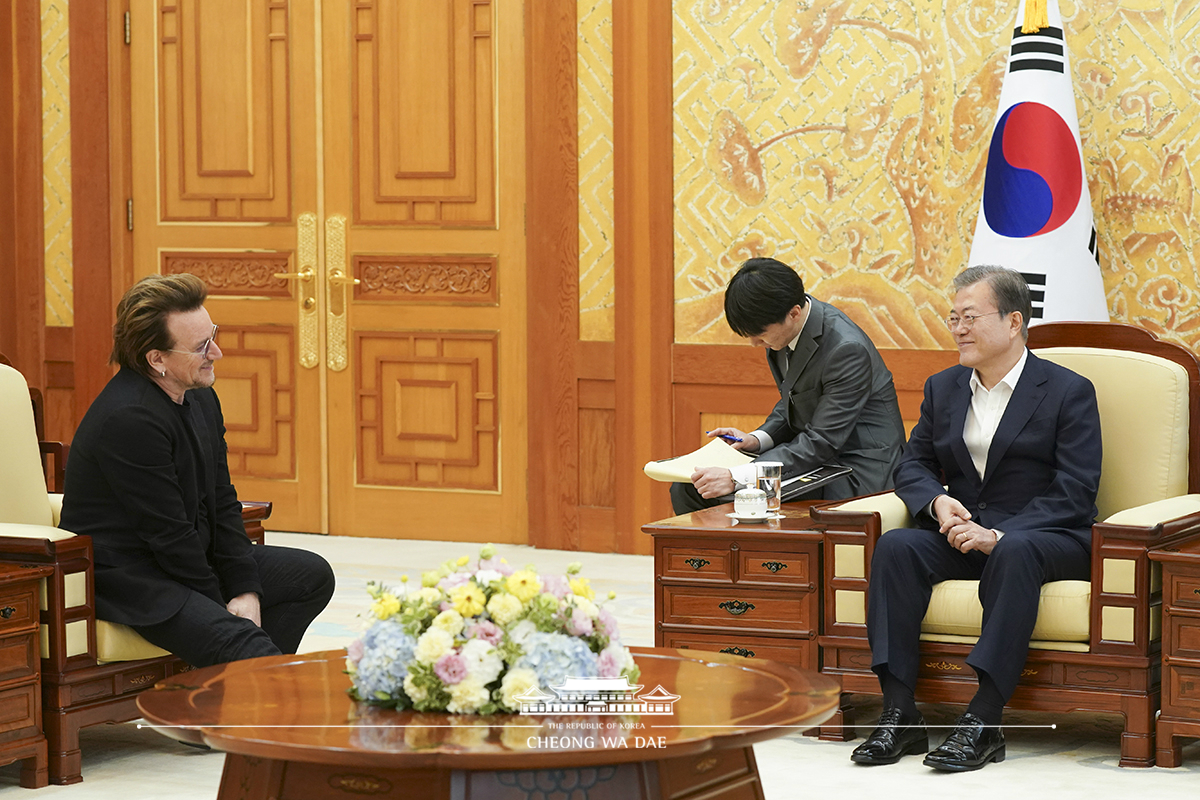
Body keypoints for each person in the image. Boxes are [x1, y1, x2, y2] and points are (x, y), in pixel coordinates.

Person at [851, 265, 1102, 771]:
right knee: (897, 547)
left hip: (1045, 539)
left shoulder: (1068, 391)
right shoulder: (944, 388)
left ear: (1013, 322)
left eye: (970, 316)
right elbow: (914, 463)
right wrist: (936, 504)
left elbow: (1075, 490)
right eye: (953, 318)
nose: (958, 329)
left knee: (1014, 550)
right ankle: (900, 714)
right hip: (964, 533)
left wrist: (1000, 533)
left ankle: (984, 720)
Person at [60, 274, 335, 668]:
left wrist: (246, 589)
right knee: (244, 643)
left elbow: (222, 499)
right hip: (135, 579)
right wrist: (223, 611)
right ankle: (254, 707)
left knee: (310, 575)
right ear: (157, 359)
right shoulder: (129, 418)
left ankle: (223, 698)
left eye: (213, 335)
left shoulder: (199, 395)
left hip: (186, 555)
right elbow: (168, 534)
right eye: (201, 346)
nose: (217, 352)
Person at [670, 258, 905, 513]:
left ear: (793, 313)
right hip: (815, 458)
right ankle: (711, 555)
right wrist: (756, 439)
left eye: (759, 333)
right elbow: (794, 398)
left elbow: (821, 442)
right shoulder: (784, 332)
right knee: (688, 487)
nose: (754, 343)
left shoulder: (846, 349)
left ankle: (751, 554)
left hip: (855, 469)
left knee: (731, 495)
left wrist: (735, 477)